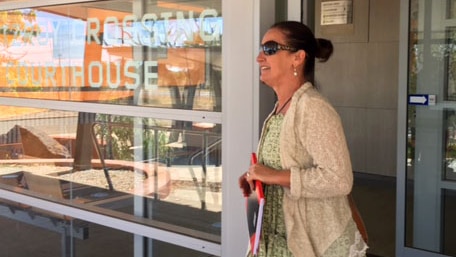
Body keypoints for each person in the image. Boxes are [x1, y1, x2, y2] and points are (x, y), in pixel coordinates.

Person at [238, 21, 368, 257]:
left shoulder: (313, 108)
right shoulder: (282, 106)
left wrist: (274, 176)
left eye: (269, 49)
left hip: (311, 246)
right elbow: (288, 164)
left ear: (297, 58)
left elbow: (339, 179)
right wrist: (258, 178)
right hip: (279, 240)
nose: (259, 57)